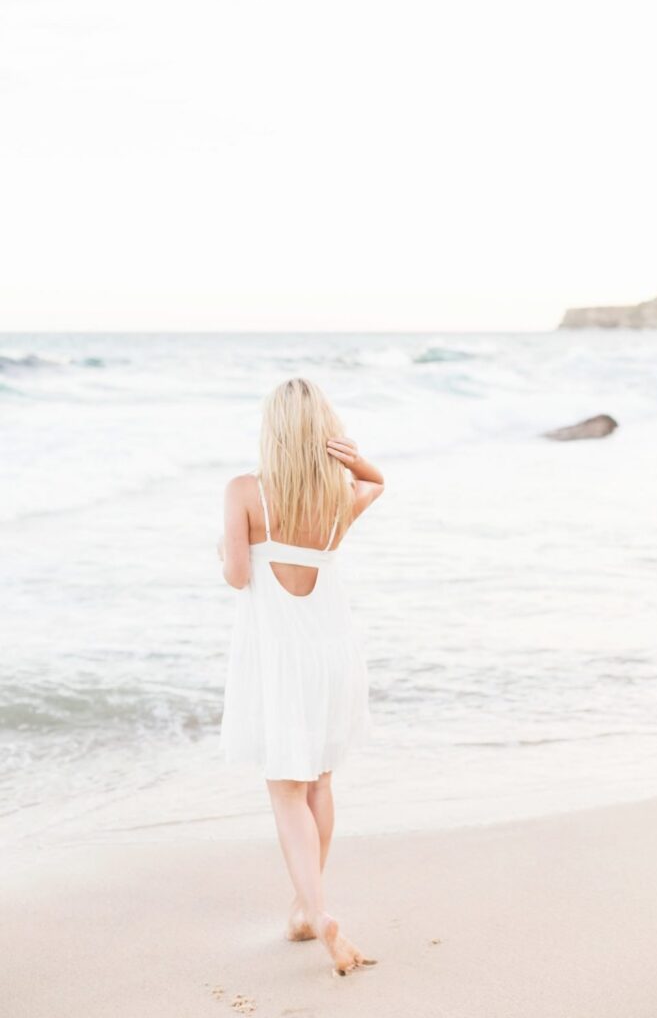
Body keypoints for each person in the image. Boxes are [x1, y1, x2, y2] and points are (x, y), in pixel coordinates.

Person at [217, 377, 384, 976]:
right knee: (319, 784)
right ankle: (303, 909)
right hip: (331, 656)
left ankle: (317, 912)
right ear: (323, 433)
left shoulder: (245, 492)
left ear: (273, 430)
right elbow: (376, 484)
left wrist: (224, 550)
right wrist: (356, 459)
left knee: (286, 791)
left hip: (278, 659)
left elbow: (238, 576)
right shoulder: (337, 497)